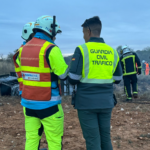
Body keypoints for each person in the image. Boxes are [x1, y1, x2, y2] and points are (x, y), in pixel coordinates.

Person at [68, 16, 122, 150]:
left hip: (86, 104)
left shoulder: (81, 49)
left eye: (83, 33)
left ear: (88, 31)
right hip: (106, 102)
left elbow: (73, 78)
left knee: (92, 140)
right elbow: (118, 78)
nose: (83, 37)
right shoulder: (112, 51)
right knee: (105, 138)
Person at [17, 15, 68, 150]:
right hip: (50, 105)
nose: (55, 36)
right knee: (54, 142)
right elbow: (63, 75)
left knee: (32, 140)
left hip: (28, 105)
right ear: (50, 30)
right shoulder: (51, 49)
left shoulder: (21, 50)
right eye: (55, 33)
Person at [13, 22, 35, 95]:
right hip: (29, 88)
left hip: (26, 88)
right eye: (36, 34)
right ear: (30, 35)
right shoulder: (25, 51)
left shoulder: (21, 50)